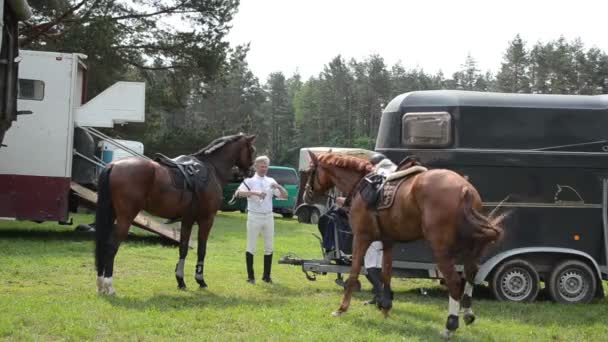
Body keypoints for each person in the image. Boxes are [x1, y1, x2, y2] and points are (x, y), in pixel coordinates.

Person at [236, 155, 288, 284]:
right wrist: (255, 193)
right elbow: (238, 193)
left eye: (266, 166)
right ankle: (251, 277)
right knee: (251, 246)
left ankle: (266, 276)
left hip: (268, 217)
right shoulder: (249, 181)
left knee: (269, 247)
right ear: (256, 167)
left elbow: (285, 196)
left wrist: (279, 187)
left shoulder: (270, 180)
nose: (264, 168)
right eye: (261, 166)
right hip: (254, 216)